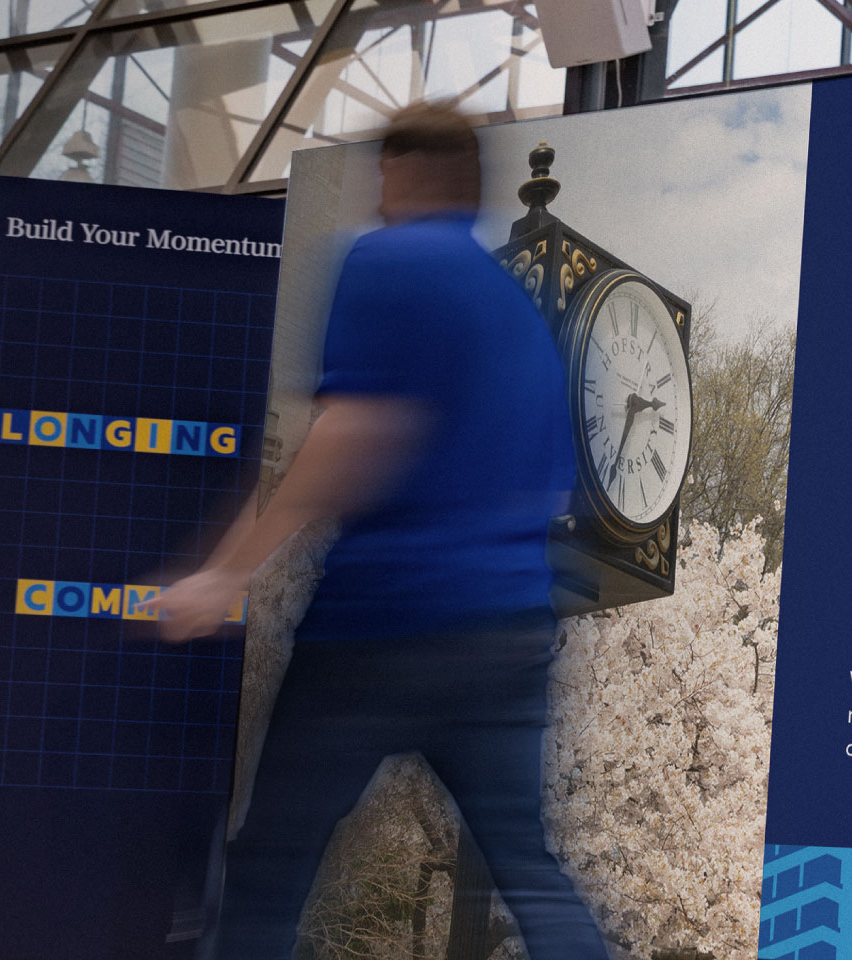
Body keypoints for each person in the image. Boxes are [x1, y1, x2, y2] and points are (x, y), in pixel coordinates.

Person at [153, 102, 607, 960]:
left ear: (401, 175)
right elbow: (549, 491)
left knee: (272, 866)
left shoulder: (390, 259)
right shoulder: (524, 321)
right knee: (528, 869)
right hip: (509, 635)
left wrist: (226, 572)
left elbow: (352, 439)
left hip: (379, 629)